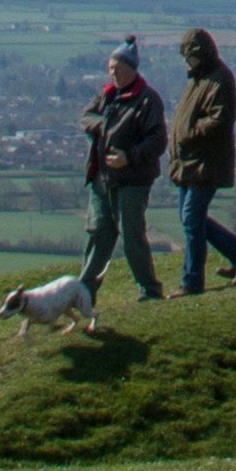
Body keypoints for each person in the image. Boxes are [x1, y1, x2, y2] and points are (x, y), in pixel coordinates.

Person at [74, 41, 169, 301]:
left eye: (116, 68)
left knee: (131, 235)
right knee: (99, 234)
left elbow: (158, 141)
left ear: (130, 68)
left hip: (132, 180)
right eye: (109, 68)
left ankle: (149, 289)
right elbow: (85, 117)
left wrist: (129, 157)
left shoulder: (148, 100)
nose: (112, 73)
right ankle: (84, 291)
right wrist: (104, 124)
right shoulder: (106, 96)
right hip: (102, 179)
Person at [166, 26, 236, 292]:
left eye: (190, 56)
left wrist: (190, 133)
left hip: (205, 163)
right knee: (189, 219)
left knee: (192, 219)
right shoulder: (199, 78)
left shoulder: (219, 79)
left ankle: (192, 281)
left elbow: (220, 119)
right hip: (188, 163)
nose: (187, 61)